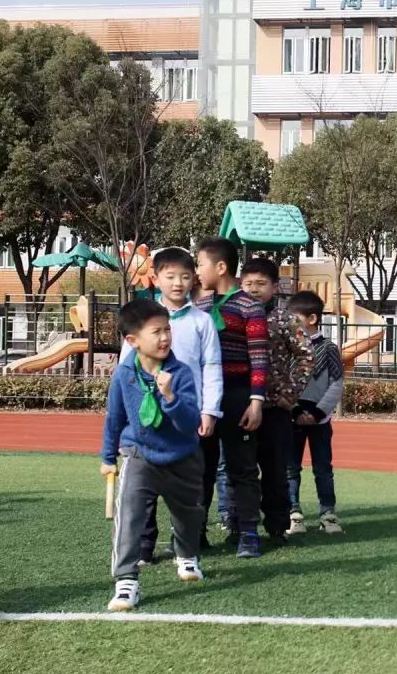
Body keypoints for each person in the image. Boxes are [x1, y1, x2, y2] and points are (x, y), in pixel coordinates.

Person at [120, 248, 223, 562]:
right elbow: (126, 369)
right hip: (149, 418)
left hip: (189, 416)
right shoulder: (142, 321)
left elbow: (212, 367)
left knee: (194, 483)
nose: (178, 283)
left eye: (185, 276)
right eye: (170, 276)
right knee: (145, 484)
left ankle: (191, 540)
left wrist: (210, 411)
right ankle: (143, 546)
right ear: (156, 278)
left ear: (194, 280)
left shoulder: (202, 322)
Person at [101, 300, 204, 611]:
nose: (165, 338)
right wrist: (108, 456)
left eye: (167, 330)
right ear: (133, 340)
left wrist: (170, 396)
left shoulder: (181, 373)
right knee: (130, 515)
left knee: (187, 516)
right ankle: (126, 581)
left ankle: (186, 556)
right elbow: (114, 417)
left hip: (182, 456)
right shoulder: (123, 375)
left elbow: (190, 424)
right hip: (138, 454)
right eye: (156, 332)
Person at [195, 238, 270, 558]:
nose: (196, 271)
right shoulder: (196, 306)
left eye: (200, 265)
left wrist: (256, 401)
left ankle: (248, 533)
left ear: (220, 267)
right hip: (203, 398)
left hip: (238, 394)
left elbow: (259, 357)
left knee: (242, 468)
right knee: (201, 468)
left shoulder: (249, 306)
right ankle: (195, 533)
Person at [238, 258, 314, 546]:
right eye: (248, 284)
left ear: (274, 286)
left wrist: (290, 394)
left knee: (275, 471)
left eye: (261, 284)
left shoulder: (285, 320)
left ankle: (277, 527)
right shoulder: (234, 316)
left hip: (275, 410)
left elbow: (307, 356)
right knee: (240, 471)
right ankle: (240, 526)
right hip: (240, 406)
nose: (254, 290)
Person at [285, 290, 346, 535]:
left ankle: (328, 514)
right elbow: (282, 382)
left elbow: (337, 383)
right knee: (290, 468)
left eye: (294, 318)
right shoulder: (288, 349)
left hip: (321, 420)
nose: (290, 323)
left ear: (312, 319)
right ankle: (294, 512)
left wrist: (319, 413)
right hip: (291, 417)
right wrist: (295, 409)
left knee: (323, 467)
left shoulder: (329, 348)